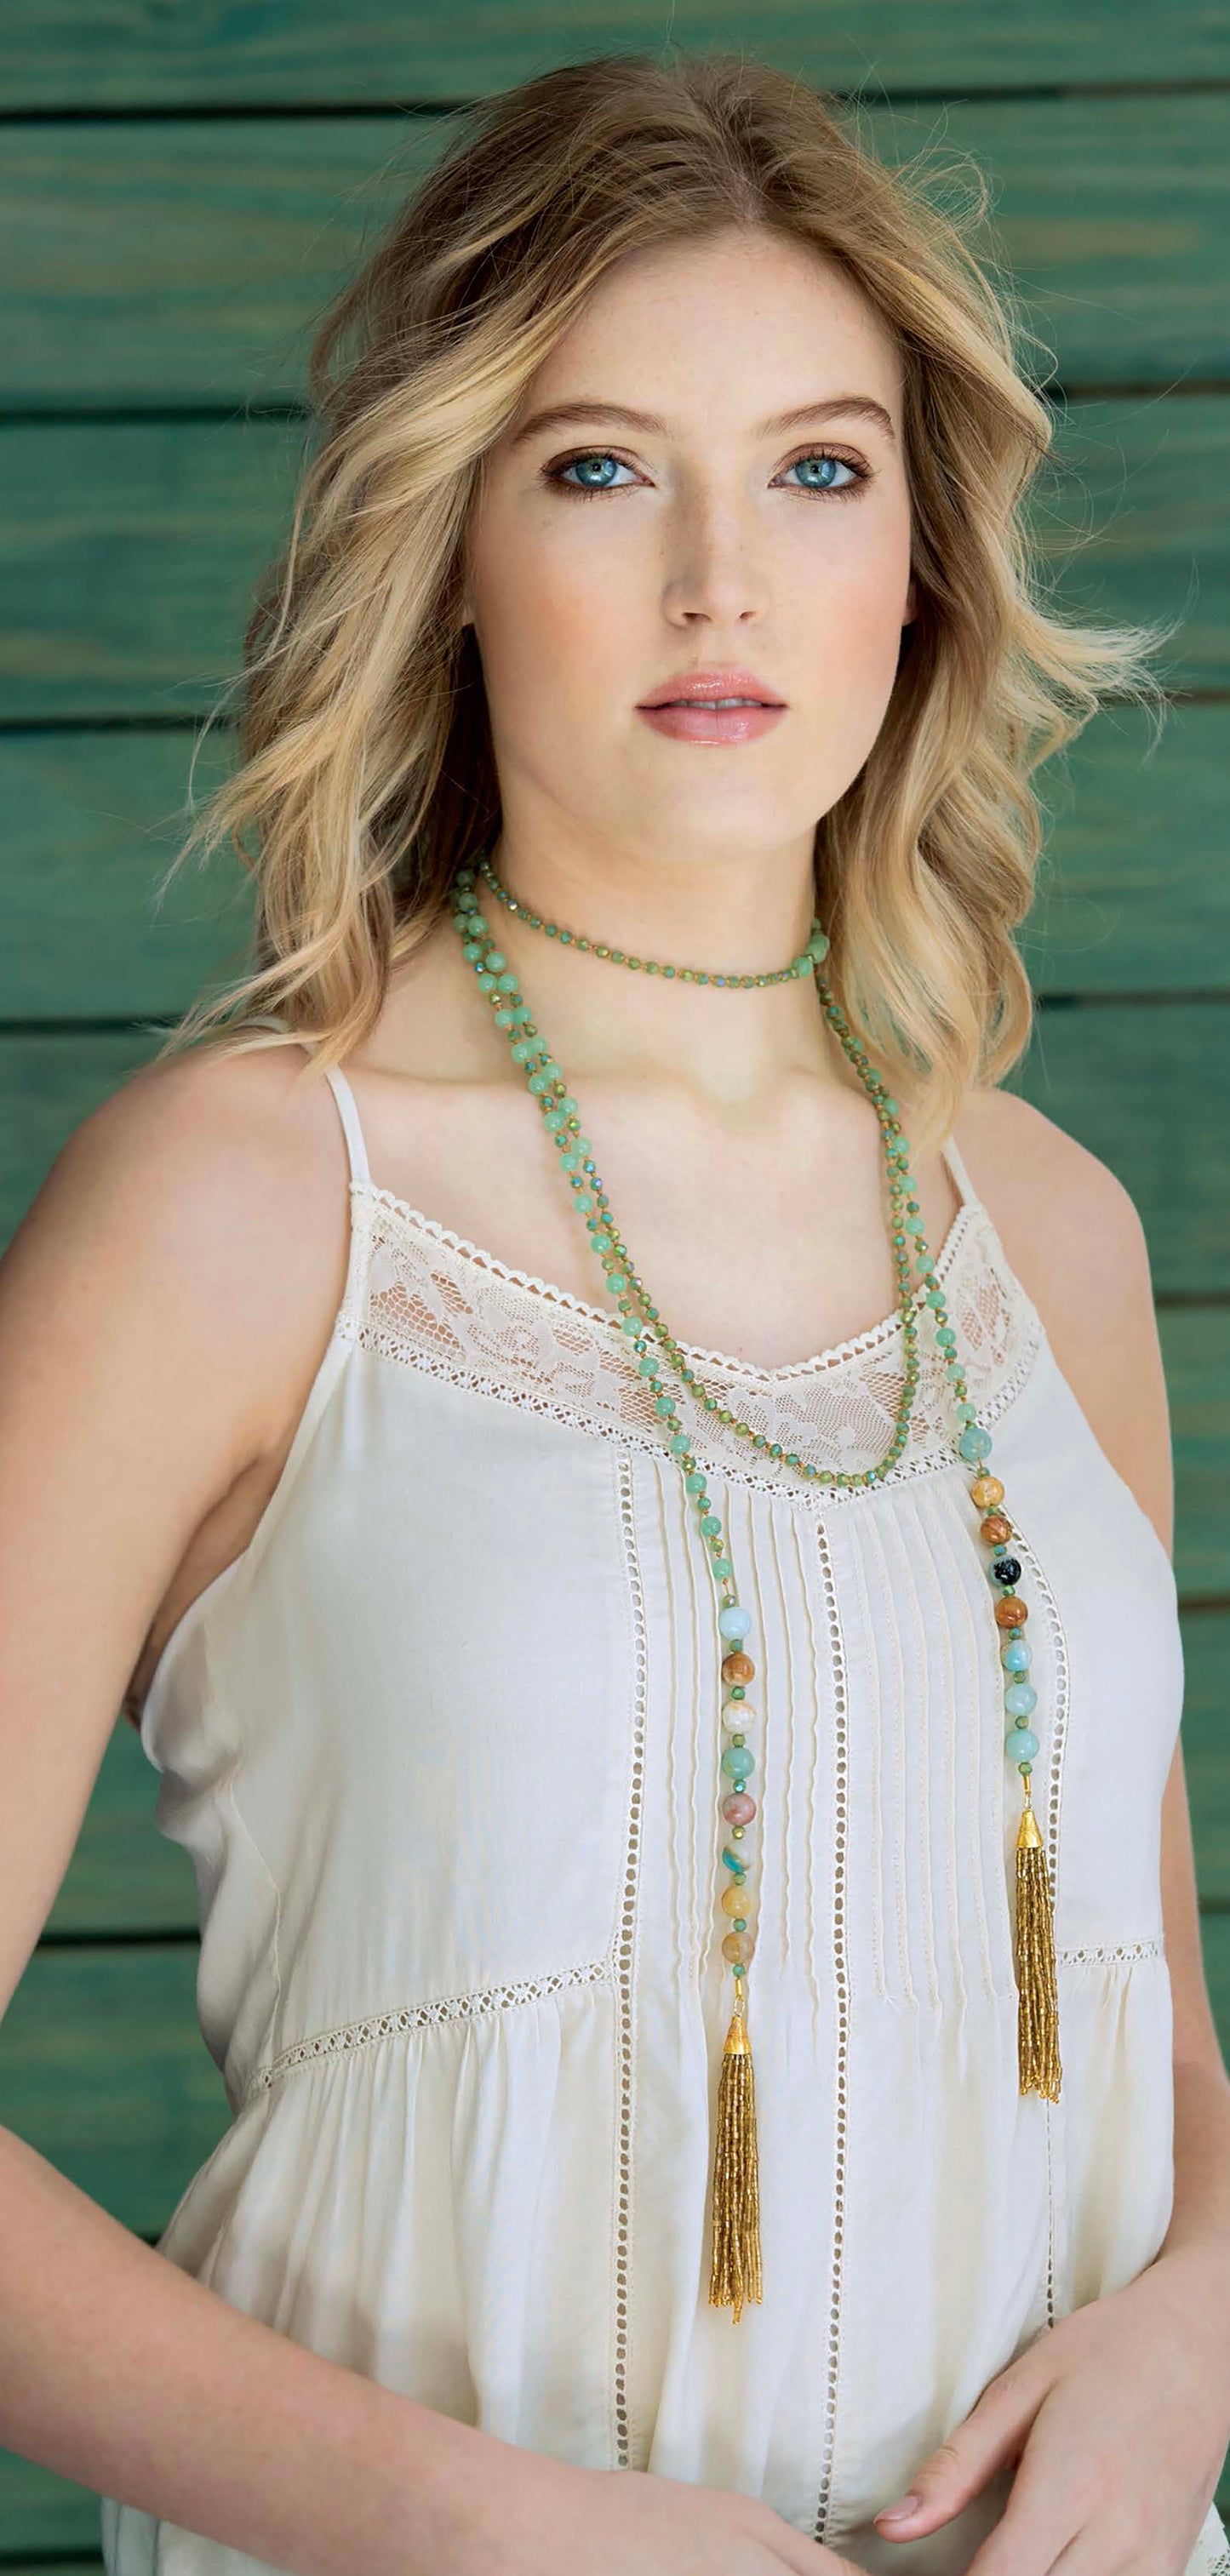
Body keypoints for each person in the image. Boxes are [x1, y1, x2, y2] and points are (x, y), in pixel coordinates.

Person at [0, 47, 1227, 2576]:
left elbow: (1144, 2031)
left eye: (815, 466)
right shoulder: (236, 1207)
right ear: (449, 536)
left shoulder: (1055, 1234)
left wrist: (1211, 2325)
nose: (720, 580)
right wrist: (494, 2531)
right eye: (595, 466)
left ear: (922, 551)